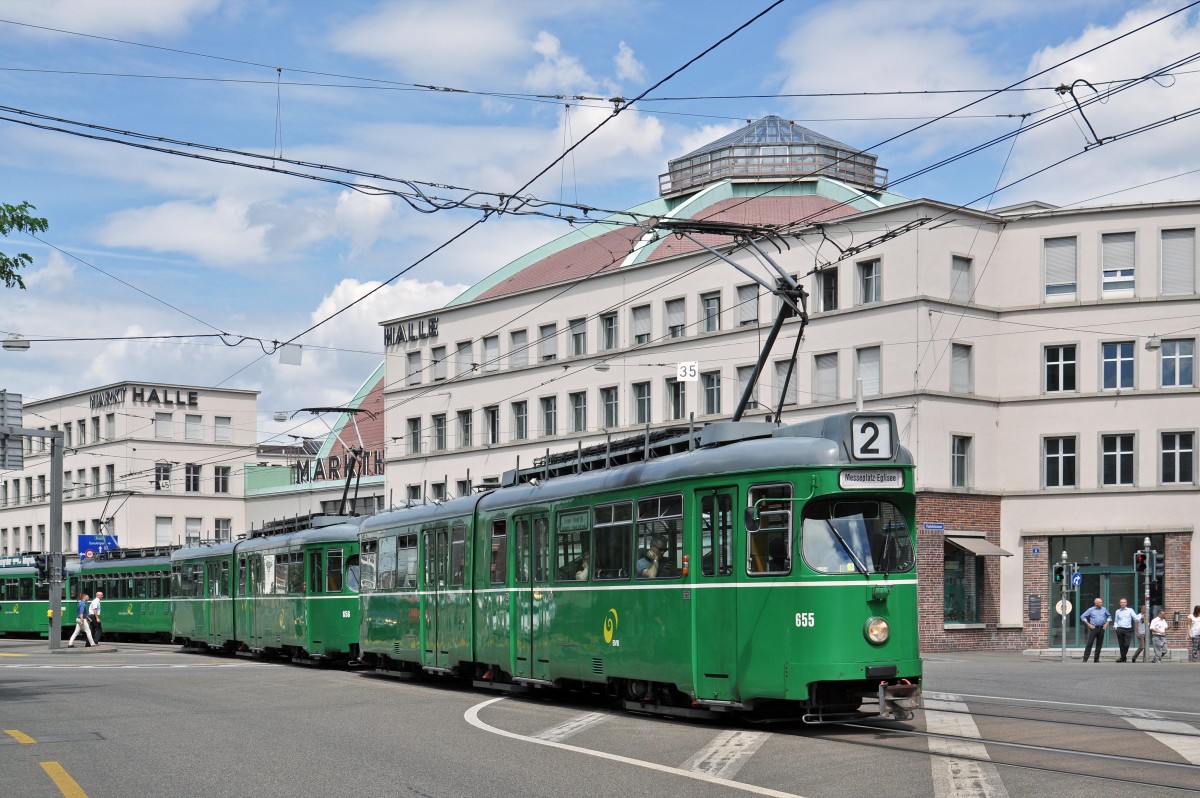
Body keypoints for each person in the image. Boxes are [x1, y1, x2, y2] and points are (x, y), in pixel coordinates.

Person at [1079, 597, 1111, 663]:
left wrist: (1106, 624)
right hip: (1094, 628)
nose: (1101, 603)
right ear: (1096, 603)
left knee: (1099, 644)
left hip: (1101, 628)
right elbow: (1082, 616)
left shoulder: (1104, 609)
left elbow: (1109, 616)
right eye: (1100, 602)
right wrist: (1088, 624)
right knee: (1089, 643)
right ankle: (1085, 659)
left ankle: (1096, 659)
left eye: (1101, 602)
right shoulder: (1091, 609)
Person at [1112, 598, 1138, 662]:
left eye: (1124, 602)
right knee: (1121, 644)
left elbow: (1135, 618)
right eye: (1121, 602)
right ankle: (1123, 658)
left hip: (1128, 629)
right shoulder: (1117, 611)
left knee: (1126, 644)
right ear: (1120, 603)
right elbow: (1116, 621)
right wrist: (1115, 627)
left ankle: (1123, 657)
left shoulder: (1130, 610)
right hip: (1119, 629)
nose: (1122, 603)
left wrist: (1142, 616)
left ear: (1126, 603)